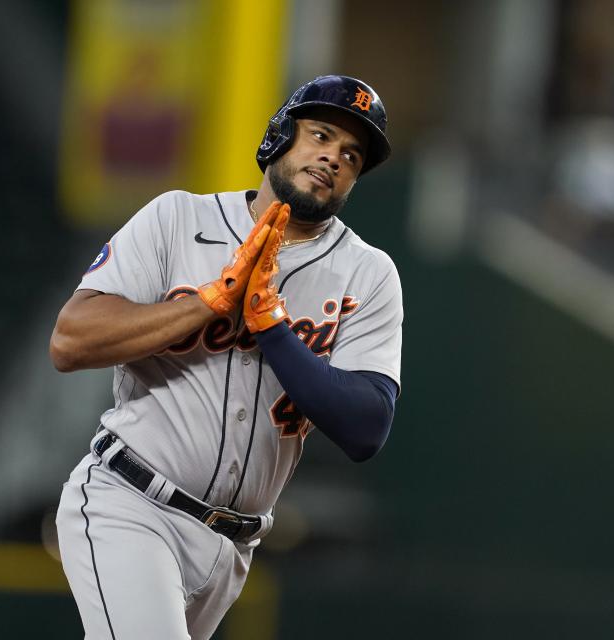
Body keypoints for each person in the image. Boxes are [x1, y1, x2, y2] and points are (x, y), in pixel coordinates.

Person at [50, 75, 403, 639]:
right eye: (320, 134)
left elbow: (366, 426)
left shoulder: (368, 273)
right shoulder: (178, 220)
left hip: (232, 547)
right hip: (131, 502)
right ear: (280, 137)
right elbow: (70, 341)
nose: (333, 157)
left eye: (351, 154)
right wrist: (210, 303)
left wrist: (271, 325)